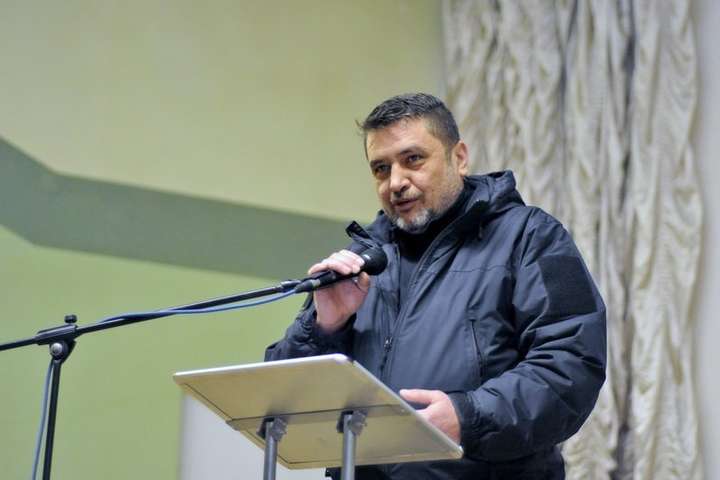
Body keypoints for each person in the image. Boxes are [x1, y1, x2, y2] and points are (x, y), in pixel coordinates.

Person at [265, 93, 606, 480]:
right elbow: (278, 403)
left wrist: (468, 417)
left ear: (458, 158)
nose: (396, 182)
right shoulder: (361, 262)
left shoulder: (528, 237)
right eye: (381, 169)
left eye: (413, 159)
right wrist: (326, 326)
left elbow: (569, 368)